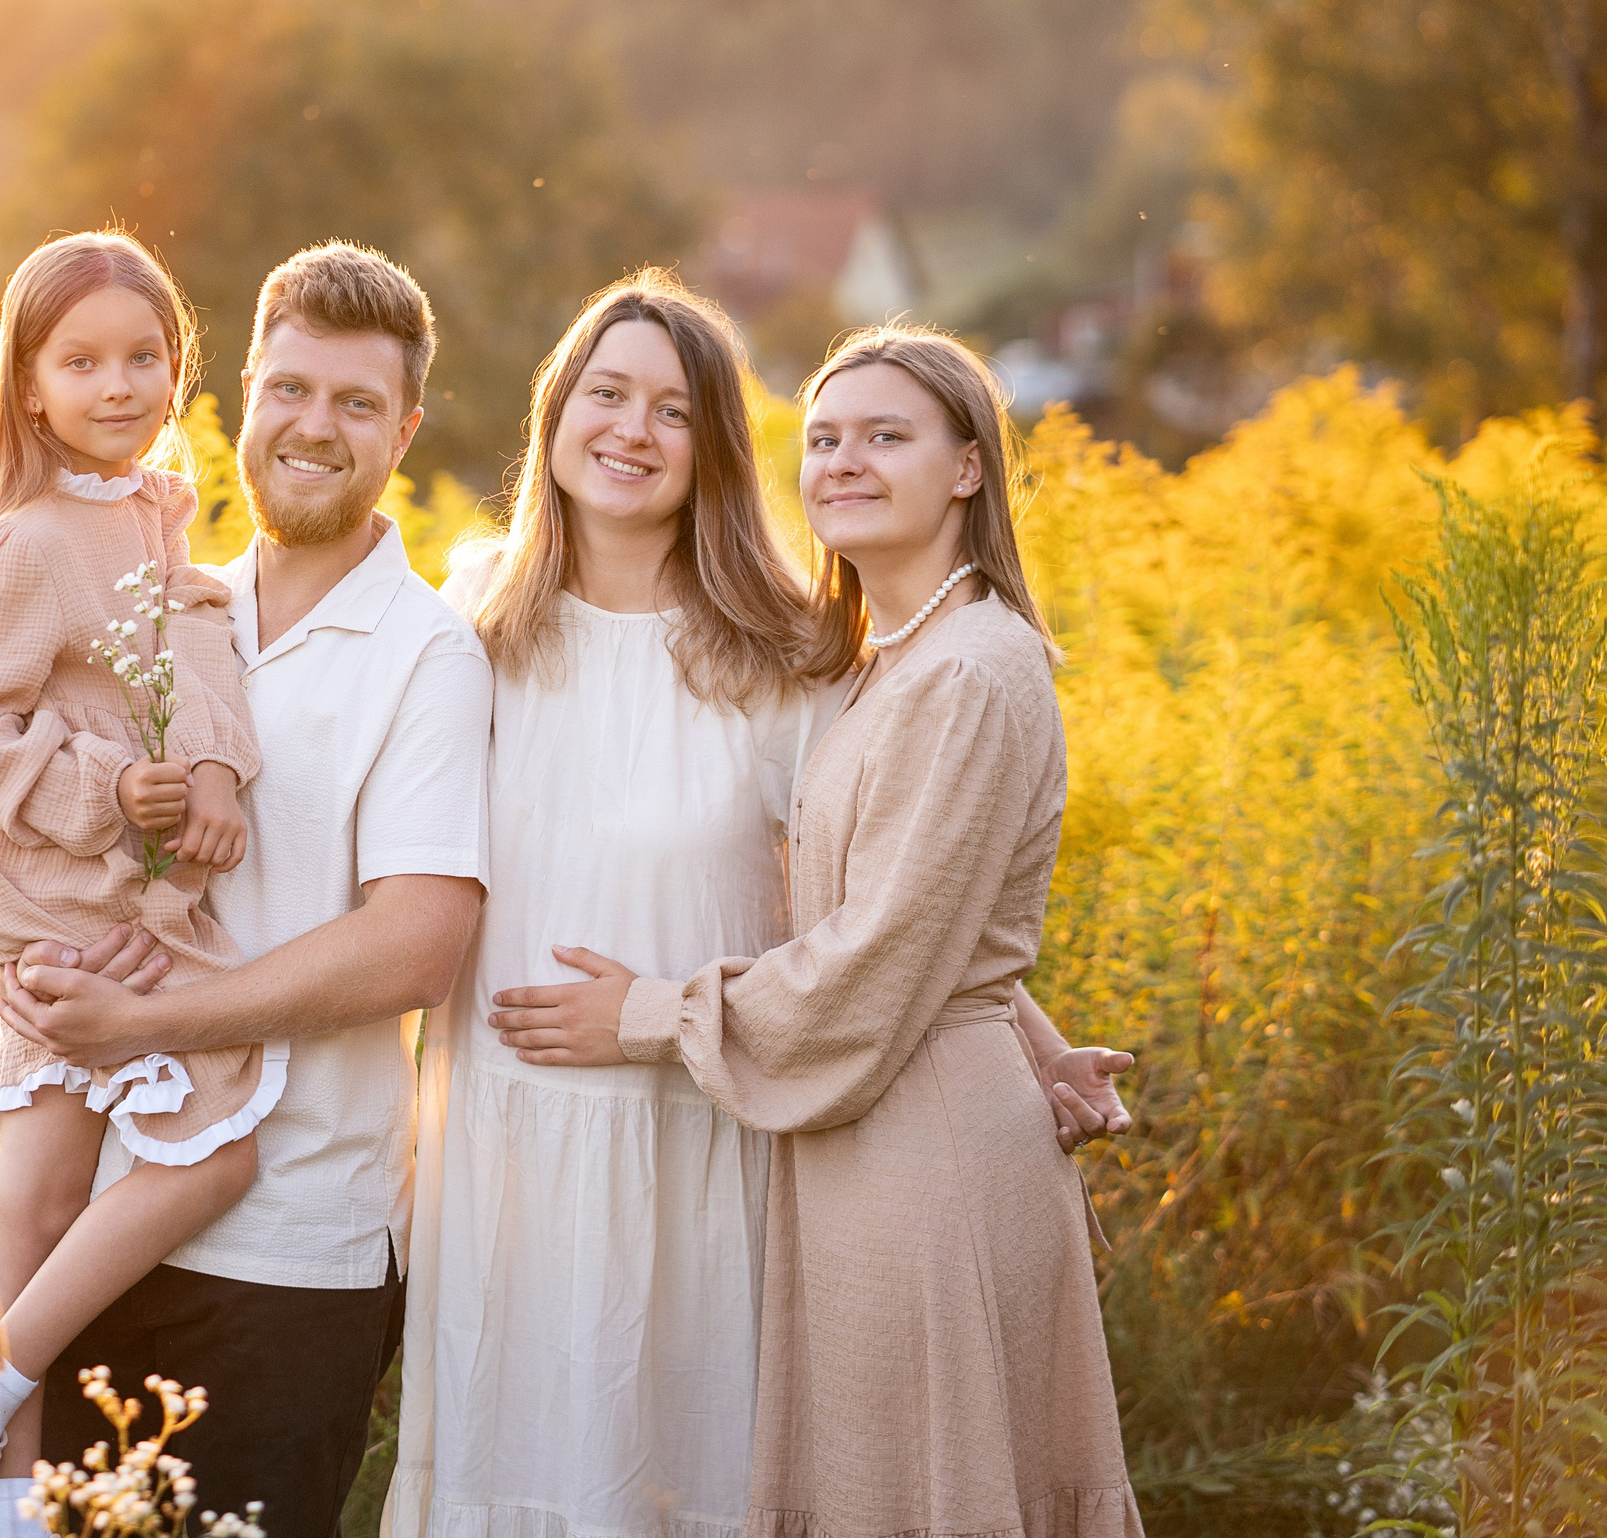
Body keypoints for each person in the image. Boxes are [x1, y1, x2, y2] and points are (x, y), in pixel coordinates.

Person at [388, 282, 1133, 1538]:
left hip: (699, 1141)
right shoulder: (463, 630)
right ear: (553, 412)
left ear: (715, 451)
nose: (631, 429)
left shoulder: (787, 653)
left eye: (673, 410)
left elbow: (889, 906)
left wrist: (1020, 1037)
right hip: (502, 1148)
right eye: (605, 394)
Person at [0, 243, 493, 1537]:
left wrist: (146, 1020)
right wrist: (41, 964)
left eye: (358, 403)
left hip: (290, 1258)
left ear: (406, 431)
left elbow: (415, 948)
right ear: (246, 394)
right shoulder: (156, 596)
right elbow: (20, 802)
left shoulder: (425, 655)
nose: (315, 428)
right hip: (108, 1219)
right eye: (293, 389)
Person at [0, 232, 277, 1533]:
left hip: (125, 896)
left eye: (144, 355)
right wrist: (115, 787)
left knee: (71, 1187)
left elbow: (205, 660)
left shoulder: (159, 516)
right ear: (28, 382)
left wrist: (217, 771)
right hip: (62, 894)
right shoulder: (21, 546)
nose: (119, 383)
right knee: (138, 1168)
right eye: (82, 359)